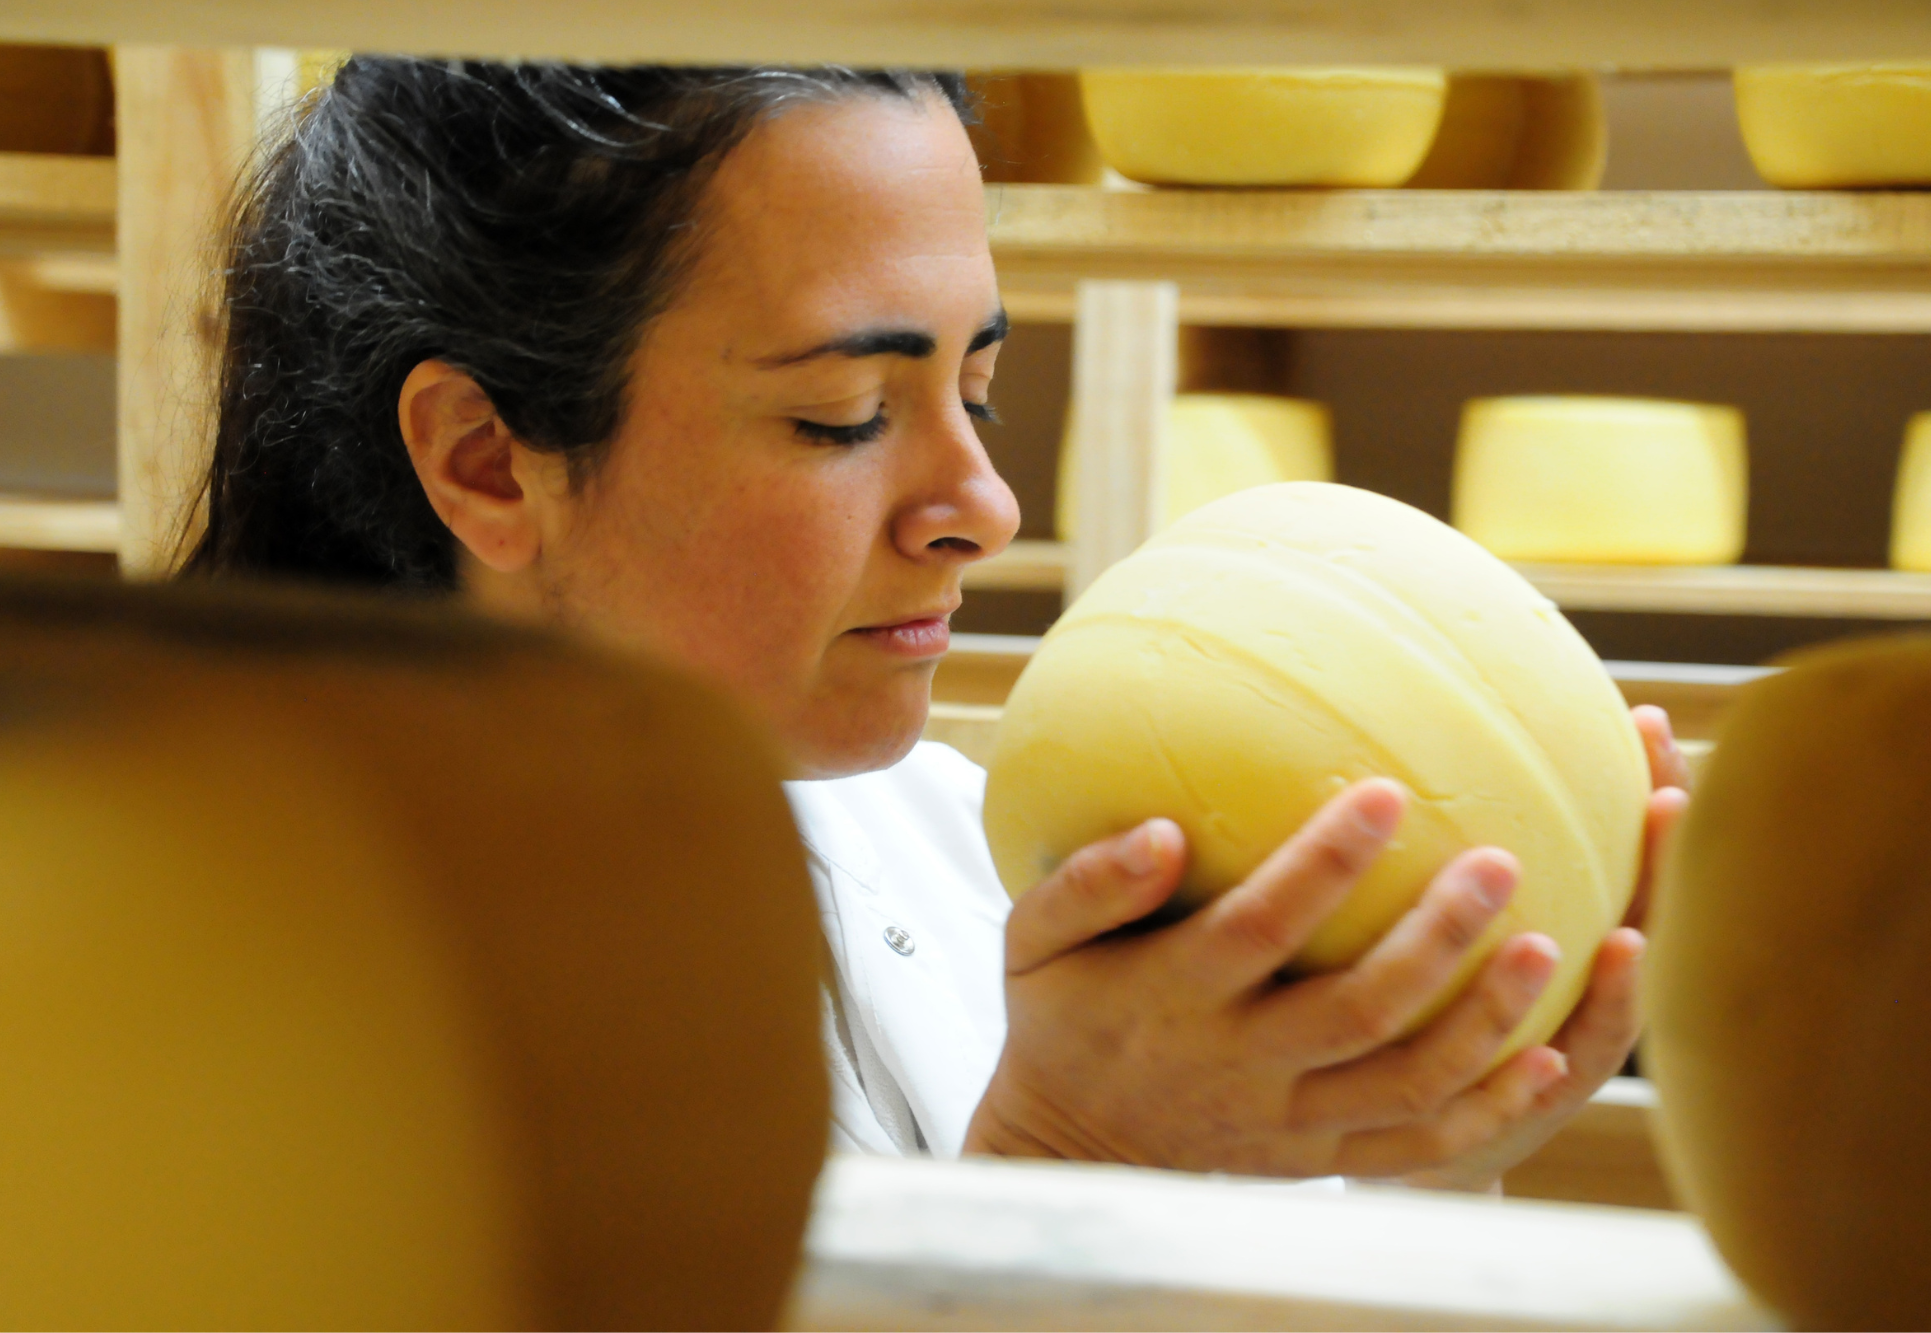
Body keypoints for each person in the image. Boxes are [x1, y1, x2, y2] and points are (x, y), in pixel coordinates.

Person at [186, 59, 1691, 1184]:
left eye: (976, 387)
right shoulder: (209, 990)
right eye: (844, 415)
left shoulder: (989, 849)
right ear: (483, 459)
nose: (982, 505)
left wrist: (1397, 1132)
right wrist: (1069, 1156)